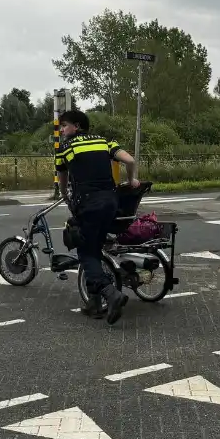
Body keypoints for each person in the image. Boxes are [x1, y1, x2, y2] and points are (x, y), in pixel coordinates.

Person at [55, 109, 141, 324]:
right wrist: (132, 181)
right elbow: (129, 161)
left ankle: (111, 294)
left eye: (64, 126)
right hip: (111, 202)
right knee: (95, 247)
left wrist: (64, 195)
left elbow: (62, 177)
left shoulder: (66, 147)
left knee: (86, 252)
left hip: (88, 203)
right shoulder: (104, 142)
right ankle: (94, 304)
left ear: (76, 126)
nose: (62, 131)